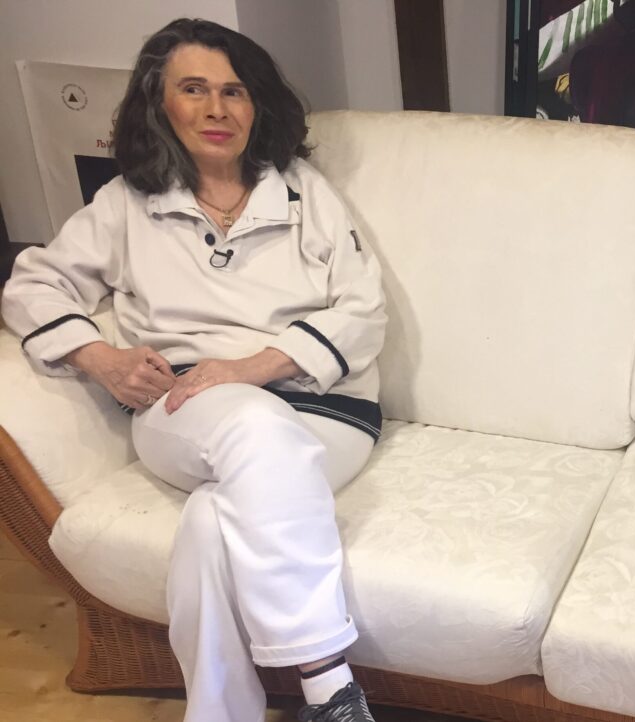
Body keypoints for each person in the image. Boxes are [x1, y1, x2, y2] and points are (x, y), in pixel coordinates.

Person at [2, 19, 385, 722]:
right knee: (252, 428)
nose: (217, 109)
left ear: (256, 105)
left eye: (234, 91)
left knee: (214, 519)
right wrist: (101, 357)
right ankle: (329, 685)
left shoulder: (305, 192)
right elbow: (32, 285)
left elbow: (364, 310)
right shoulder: (124, 204)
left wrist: (253, 366)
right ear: (160, 103)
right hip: (186, 407)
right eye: (194, 89)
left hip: (328, 409)